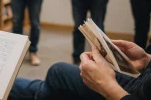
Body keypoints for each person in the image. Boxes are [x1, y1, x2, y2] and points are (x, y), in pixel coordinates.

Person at [9, 40, 151, 100]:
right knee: (57, 72)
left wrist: (108, 88)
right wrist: (146, 59)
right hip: (141, 85)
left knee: (56, 74)